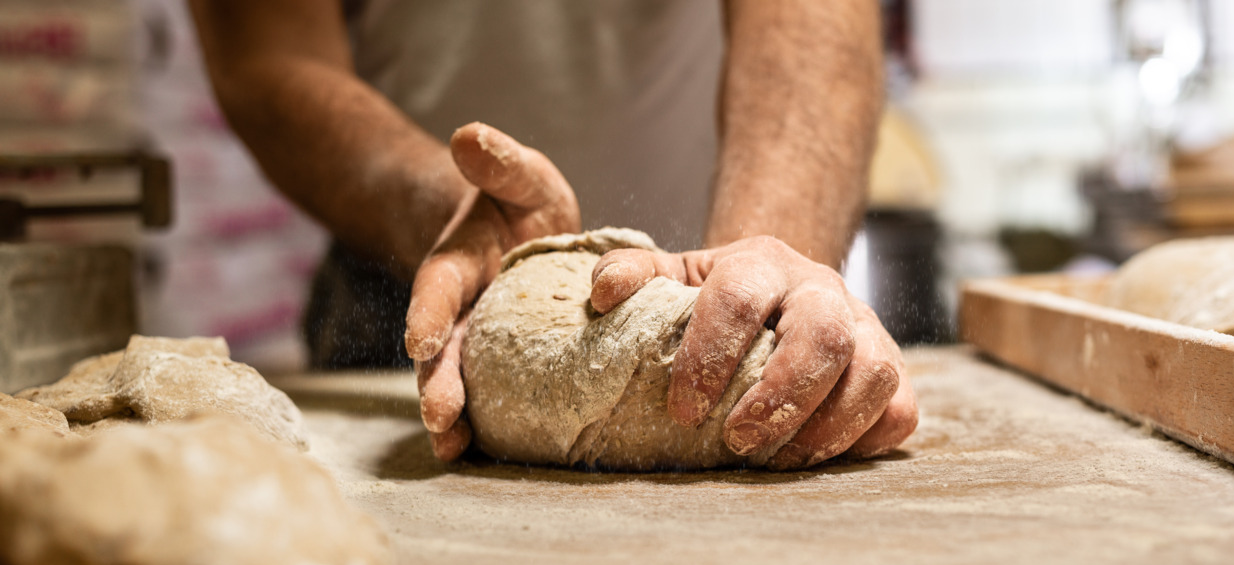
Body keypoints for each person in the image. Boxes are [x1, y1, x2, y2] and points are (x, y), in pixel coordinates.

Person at [188, 0, 918, 469]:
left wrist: (762, 264)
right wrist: (442, 206)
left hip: (712, 251)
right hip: (421, 276)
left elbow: (814, 18)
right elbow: (270, 54)